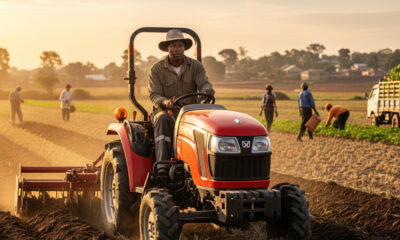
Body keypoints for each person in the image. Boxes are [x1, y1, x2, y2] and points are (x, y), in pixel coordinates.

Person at [148, 29, 214, 169]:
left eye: (180, 46)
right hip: (166, 112)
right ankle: (162, 168)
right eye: (173, 46)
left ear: (184, 48)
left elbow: (204, 83)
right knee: (162, 119)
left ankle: (205, 167)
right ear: (167, 48)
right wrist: (166, 102)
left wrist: (206, 91)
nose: (177, 49)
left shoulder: (196, 66)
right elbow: (155, 95)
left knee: (209, 122)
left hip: (189, 113)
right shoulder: (157, 69)